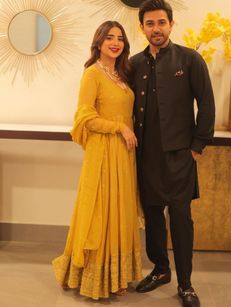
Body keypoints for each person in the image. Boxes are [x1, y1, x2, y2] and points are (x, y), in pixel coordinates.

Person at [130, 1, 215, 306]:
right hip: (146, 156)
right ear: (142, 28)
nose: (156, 29)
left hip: (180, 156)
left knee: (180, 218)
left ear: (171, 24)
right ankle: (160, 269)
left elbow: (206, 104)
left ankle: (186, 283)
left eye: (161, 22)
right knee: (153, 216)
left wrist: (197, 146)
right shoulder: (134, 63)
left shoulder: (190, 59)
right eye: (150, 23)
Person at [52, 20, 143, 300]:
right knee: (100, 212)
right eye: (109, 38)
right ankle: (89, 275)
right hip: (102, 153)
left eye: (120, 38)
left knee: (120, 210)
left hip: (124, 155)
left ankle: (116, 276)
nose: (115, 42)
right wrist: (119, 127)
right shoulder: (92, 74)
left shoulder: (122, 74)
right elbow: (84, 117)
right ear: (99, 42)